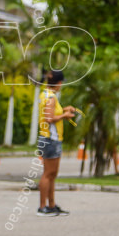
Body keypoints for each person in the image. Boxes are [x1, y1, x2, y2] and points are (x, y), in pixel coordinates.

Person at [37, 70, 74, 215]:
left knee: (52, 174)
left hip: (48, 138)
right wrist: (65, 115)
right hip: (51, 138)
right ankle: (42, 206)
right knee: (48, 174)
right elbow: (49, 118)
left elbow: (50, 113)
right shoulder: (51, 97)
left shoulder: (44, 94)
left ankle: (51, 205)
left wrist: (64, 109)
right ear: (59, 83)